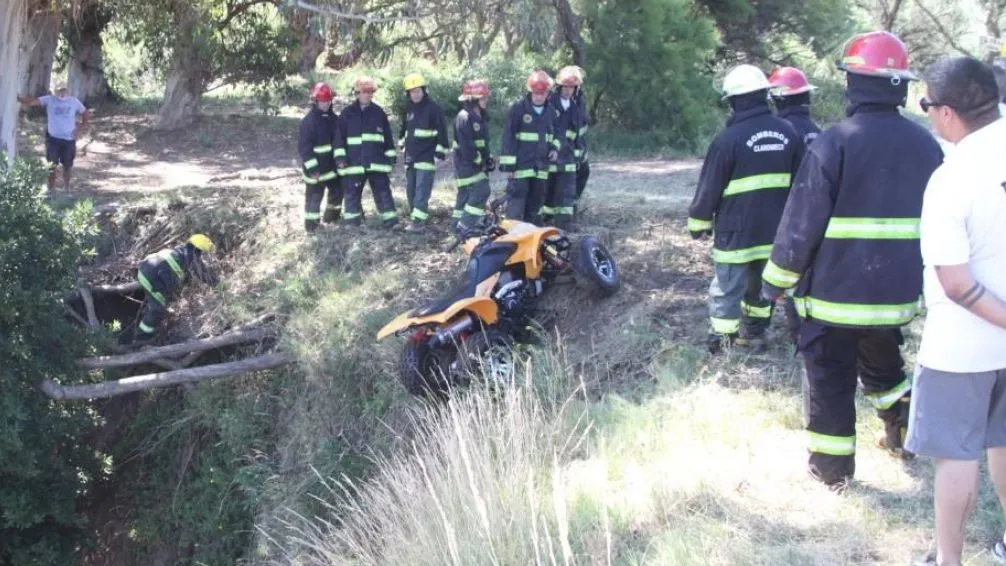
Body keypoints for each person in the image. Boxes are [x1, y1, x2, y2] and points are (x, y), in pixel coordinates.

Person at [760, 31, 944, 490]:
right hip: (895, 297)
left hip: (834, 300)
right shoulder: (928, 147)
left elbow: (801, 223)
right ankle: (902, 430)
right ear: (899, 86)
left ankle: (831, 471)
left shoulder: (834, 142)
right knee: (884, 368)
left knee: (829, 380)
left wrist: (775, 283)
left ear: (855, 84)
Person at [904, 57, 1006, 566]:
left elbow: (957, 283)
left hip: (962, 345)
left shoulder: (952, 178)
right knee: (1005, 440)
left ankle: (949, 560)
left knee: (958, 454)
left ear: (946, 112)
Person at [687, 64, 804, 354]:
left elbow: (709, 187)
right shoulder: (789, 133)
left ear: (734, 101)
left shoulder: (728, 140)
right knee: (761, 287)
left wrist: (698, 222)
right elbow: (803, 184)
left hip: (736, 232)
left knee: (728, 287)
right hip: (776, 230)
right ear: (765, 94)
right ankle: (755, 335)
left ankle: (723, 341)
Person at [768, 66, 823, 346]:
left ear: (778, 98)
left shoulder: (782, 131)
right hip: (819, 216)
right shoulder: (817, 131)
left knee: (789, 274)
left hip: (789, 214)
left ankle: (799, 336)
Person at [334, 76, 399, 229]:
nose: (368, 95)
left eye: (370, 92)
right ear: (357, 93)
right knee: (352, 195)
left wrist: (390, 158)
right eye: (364, 92)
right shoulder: (347, 114)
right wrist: (340, 158)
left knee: (383, 194)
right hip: (353, 163)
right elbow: (339, 139)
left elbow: (388, 138)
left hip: (377, 164)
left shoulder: (379, 113)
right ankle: (352, 224)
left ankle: (391, 223)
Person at [130, 234, 219, 345]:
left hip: (147, 270)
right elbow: (204, 274)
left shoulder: (180, 251)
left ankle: (148, 326)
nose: (203, 256)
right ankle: (141, 340)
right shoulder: (191, 256)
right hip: (152, 276)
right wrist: (219, 286)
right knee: (157, 310)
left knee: (157, 304)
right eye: (203, 253)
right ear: (199, 249)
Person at [499, 70, 559, 223]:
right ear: (531, 91)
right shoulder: (518, 110)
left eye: (542, 93)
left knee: (535, 205)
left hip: (541, 168)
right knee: (516, 205)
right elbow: (508, 138)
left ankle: (531, 238)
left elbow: (557, 135)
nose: (539, 97)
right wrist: (508, 167)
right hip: (520, 169)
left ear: (548, 93)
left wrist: (554, 149)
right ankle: (512, 239)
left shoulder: (551, 112)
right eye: (536, 93)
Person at [17, 84, 92, 192]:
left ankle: (66, 188)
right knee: (52, 165)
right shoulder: (49, 99)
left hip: (69, 140)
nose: (62, 93)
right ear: (55, 92)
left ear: (68, 91)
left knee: (67, 165)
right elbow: (33, 102)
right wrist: (19, 98)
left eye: (64, 90)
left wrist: (79, 128)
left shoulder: (74, 101)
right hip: (53, 139)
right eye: (60, 91)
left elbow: (86, 114)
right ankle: (51, 190)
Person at [399, 73, 449, 232]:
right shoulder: (408, 108)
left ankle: (418, 223)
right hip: (411, 158)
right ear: (408, 93)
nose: (415, 94)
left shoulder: (434, 108)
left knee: (421, 191)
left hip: (427, 158)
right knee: (411, 190)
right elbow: (403, 131)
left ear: (424, 90)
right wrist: (402, 146)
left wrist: (439, 155)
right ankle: (418, 217)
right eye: (412, 92)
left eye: (418, 91)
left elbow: (442, 133)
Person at [542, 65, 587, 230]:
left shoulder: (576, 107)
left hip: (568, 158)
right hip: (552, 157)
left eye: (572, 87)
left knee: (567, 193)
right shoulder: (550, 103)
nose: (568, 91)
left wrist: (578, 154)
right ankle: (546, 220)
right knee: (548, 192)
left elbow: (578, 135)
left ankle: (565, 224)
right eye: (566, 87)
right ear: (560, 86)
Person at [451, 79, 494, 232]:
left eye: (486, 97)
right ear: (473, 99)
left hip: (473, 163)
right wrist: (480, 162)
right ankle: (465, 226)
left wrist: (489, 159)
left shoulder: (480, 116)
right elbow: (467, 147)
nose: (486, 100)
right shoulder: (464, 117)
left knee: (465, 194)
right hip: (466, 164)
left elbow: (483, 143)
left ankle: (455, 227)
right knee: (482, 190)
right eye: (483, 97)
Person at [298, 82, 341, 233]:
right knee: (314, 198)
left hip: (331, 168)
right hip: (315, 169)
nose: (326, 104)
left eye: (328, 101)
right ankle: (311, 227)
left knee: (337, 193)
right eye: (323, 101)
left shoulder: (334, 120)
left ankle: (331, 219)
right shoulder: (308, 122)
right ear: (316, 101)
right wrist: (313, 168)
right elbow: (305, 148)